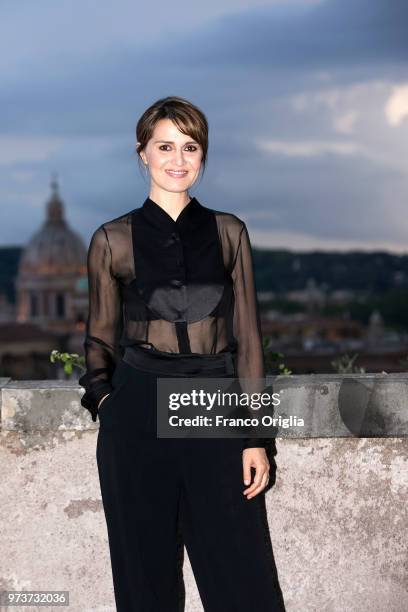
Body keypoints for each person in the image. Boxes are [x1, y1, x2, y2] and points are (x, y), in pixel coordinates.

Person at [78, 95, 286, 611]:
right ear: (142, 153)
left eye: (190, 147)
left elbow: (248, 339)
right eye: (164, 146)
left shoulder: (228, 232)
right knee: (143, 577)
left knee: (242, 576)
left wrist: (255, 436)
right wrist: (106, 402)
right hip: (137, 413)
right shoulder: (112, 239)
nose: (178, 159)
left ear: (202, 155)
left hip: (213, 406)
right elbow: (100, 337)